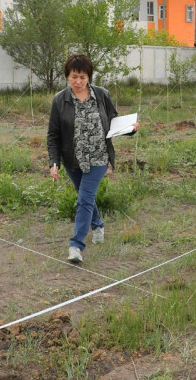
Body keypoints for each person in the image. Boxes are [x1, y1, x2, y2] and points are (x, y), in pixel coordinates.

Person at [47, 54, 140, 264]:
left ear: (89, 76)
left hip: (99, 157)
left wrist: (131, 130)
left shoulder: (101, 95)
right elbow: (53, 135)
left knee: (84, 199)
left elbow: (114, 122)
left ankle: (76, 246)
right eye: (74, 77)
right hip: (73, 160)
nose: (78, 82)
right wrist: (54, 162)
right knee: (85, 197)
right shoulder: (60, 100)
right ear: (67, 76)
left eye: (82, 77)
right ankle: (97, 225)